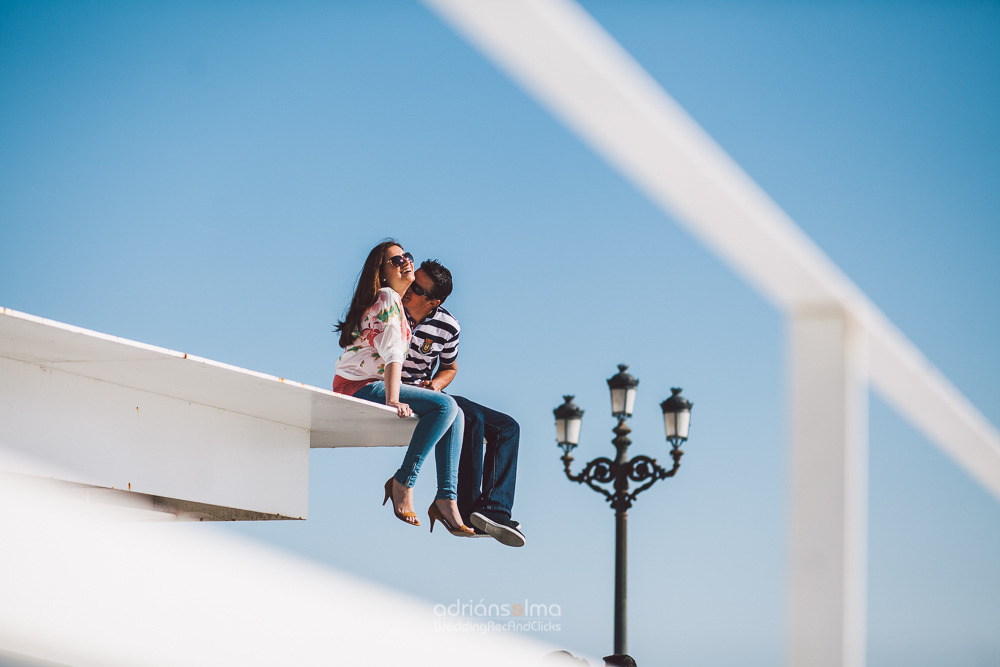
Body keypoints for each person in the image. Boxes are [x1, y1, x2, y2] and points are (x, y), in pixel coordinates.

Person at [333, 240, 473, 537]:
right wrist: (394, 398)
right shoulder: (387, 297)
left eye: (406, 256)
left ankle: (447, 497)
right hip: (357, 386)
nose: (405, 262)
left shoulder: (393, 300)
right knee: (445, 406)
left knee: (455, 413)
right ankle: (403, 482)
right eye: (395, 261)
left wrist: (428, 385)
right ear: (382, 273)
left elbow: (444, 366)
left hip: (366, 383)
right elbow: (394, 354)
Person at [400, 259, 525, 547]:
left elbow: (449, 368)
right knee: (472, 419)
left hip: (429, 392)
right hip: (397, 391)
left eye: (417, 288)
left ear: (434, 301)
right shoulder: (392, 311)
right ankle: (466, 509)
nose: (409, 289)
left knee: (508, 427)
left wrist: (436, 384)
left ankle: (494, 509)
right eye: (411, 282)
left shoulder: (448, 326)